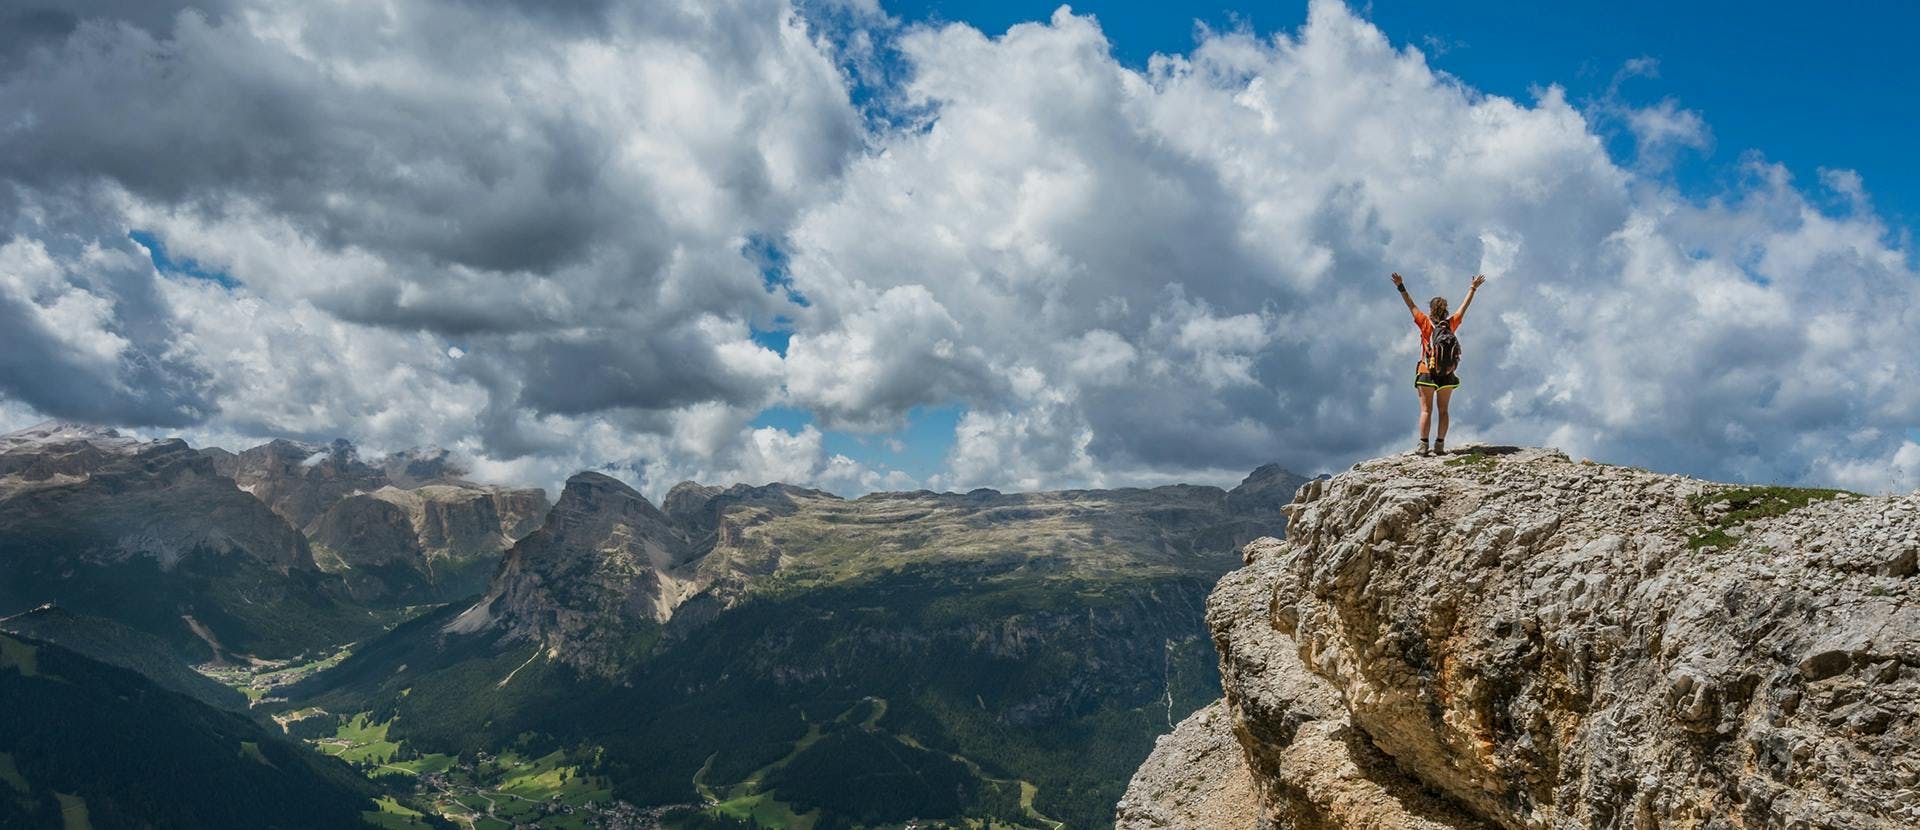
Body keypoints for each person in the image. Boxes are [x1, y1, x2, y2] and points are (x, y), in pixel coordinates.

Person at [1391, 271, 1486, 456]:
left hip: (1427, 371)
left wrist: (1400, 286)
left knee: (1426, 410)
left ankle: (1423, 445)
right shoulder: (1451, 324)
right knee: (1444, 410)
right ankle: (1440, 444)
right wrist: (1473, 289)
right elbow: (1464, 307)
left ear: (1431, 310)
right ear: (1445, 310)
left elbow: (1410, 304)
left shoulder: (1424, 323)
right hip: (1447, 373)